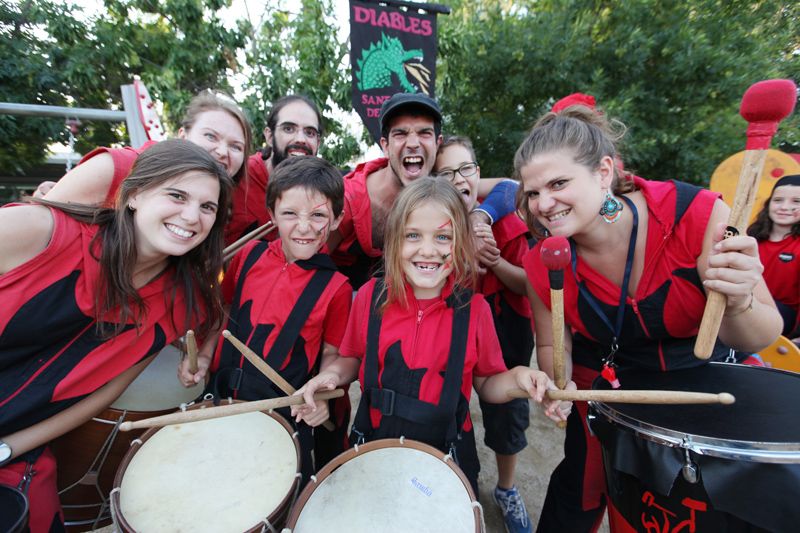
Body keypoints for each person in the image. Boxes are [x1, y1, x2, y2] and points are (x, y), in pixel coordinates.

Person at [515, 105, 782, 532]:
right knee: (578, 493)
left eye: (559, 184)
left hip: (708, 380)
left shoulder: (695, 215)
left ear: (604, 172)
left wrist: (738, 301)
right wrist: (559, 382)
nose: (544, 204)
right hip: (611, 388)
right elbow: (552, 343)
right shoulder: (541, 260)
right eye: (532, 193)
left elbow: (762, 333)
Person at [0, 139, 233, 532]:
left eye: (207, 207)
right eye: (176, 195)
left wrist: (10, 448)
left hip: (17, 452)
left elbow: (103, 393)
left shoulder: (181, 305)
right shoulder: (38, 231)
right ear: (134, 194)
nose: (192, 216)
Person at [294, 177, 562, 494]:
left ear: (461, 244)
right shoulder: (369, 297)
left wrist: (520, 378)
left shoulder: (476, 310)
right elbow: (351, 358)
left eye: (443, 237)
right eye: (413, 235)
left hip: (446, 450)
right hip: (373, 441)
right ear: (394, 240)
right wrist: (331, 376)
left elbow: (489, 383)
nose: (428, 250)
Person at [178, 155, 352, 479]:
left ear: (337, 219)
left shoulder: (337, 287)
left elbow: (332, 353)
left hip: (282, 413)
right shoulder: (248, 255)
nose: (304, 227)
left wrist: (322, 391)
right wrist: (203, 356)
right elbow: (224, 312)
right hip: (221, 396)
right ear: (271, 214)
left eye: (318, 215)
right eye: (290, 214)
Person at [434, 136, 535, 533]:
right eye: (446, 173)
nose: (459, 179)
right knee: (446, 406)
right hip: (455, 326)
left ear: (477, 173)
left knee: (507, 413)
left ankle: (507, 489)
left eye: (465, 169)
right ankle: (447, 476)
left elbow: (528, 284)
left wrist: (495, 263)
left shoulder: (506, 220)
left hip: (507, 326)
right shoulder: (435, 224)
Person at [328, 92, 519, 288]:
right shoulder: (350, 198)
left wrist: (476, 220)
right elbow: (312, 260)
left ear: (437, 143)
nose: (413, 144)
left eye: (424, 133)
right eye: (400, 134)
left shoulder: (439, 179)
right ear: (385, 145)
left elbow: (512, 187)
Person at [37, 91, 252, 241]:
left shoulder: (217, 202)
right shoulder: (119, 166)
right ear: (182, 135)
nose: (222, 151)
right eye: (210, 136)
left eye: (236, 146)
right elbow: (38, 225)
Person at [228, 95, 324, 244]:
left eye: (309, 132)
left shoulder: (321, 192)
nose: (301, 139)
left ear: (318, 142)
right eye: (288, 129)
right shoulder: (239, 174)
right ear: (269, 136)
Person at [747, 174, 800, 340]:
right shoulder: (750, 238)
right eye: (778, 200)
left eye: (796, 201)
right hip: (744, 304)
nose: (784, 207)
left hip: (784, 317)